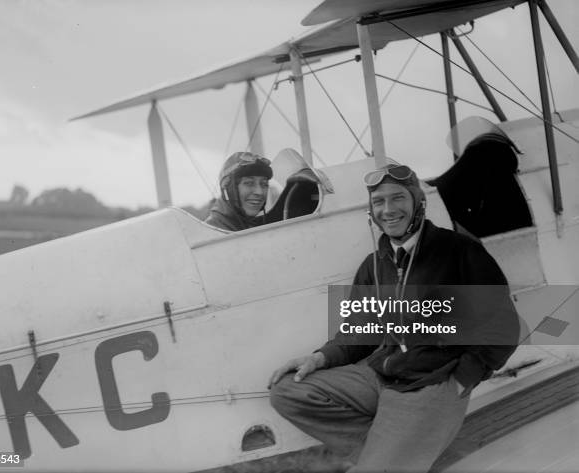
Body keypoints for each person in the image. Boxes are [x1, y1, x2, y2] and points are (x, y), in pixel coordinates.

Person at [268, 159, 519, 473]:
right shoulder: (373, 265)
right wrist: (320, 358)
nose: (388, 209)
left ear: (418, 202)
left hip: (430, 383)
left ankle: (395, 453)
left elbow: (504, 324)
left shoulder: (458, 251)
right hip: (380, 375)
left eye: (398, 197)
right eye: (379, 201)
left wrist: (465, 376)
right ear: (371, 212)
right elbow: (360, 331)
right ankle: (396, 453)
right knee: (287, 391)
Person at [205, 151, 273, 231]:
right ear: (228, 189)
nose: (259, 192)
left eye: (264, 184)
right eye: (249, 183)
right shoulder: (213, 232)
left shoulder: (245, 226)